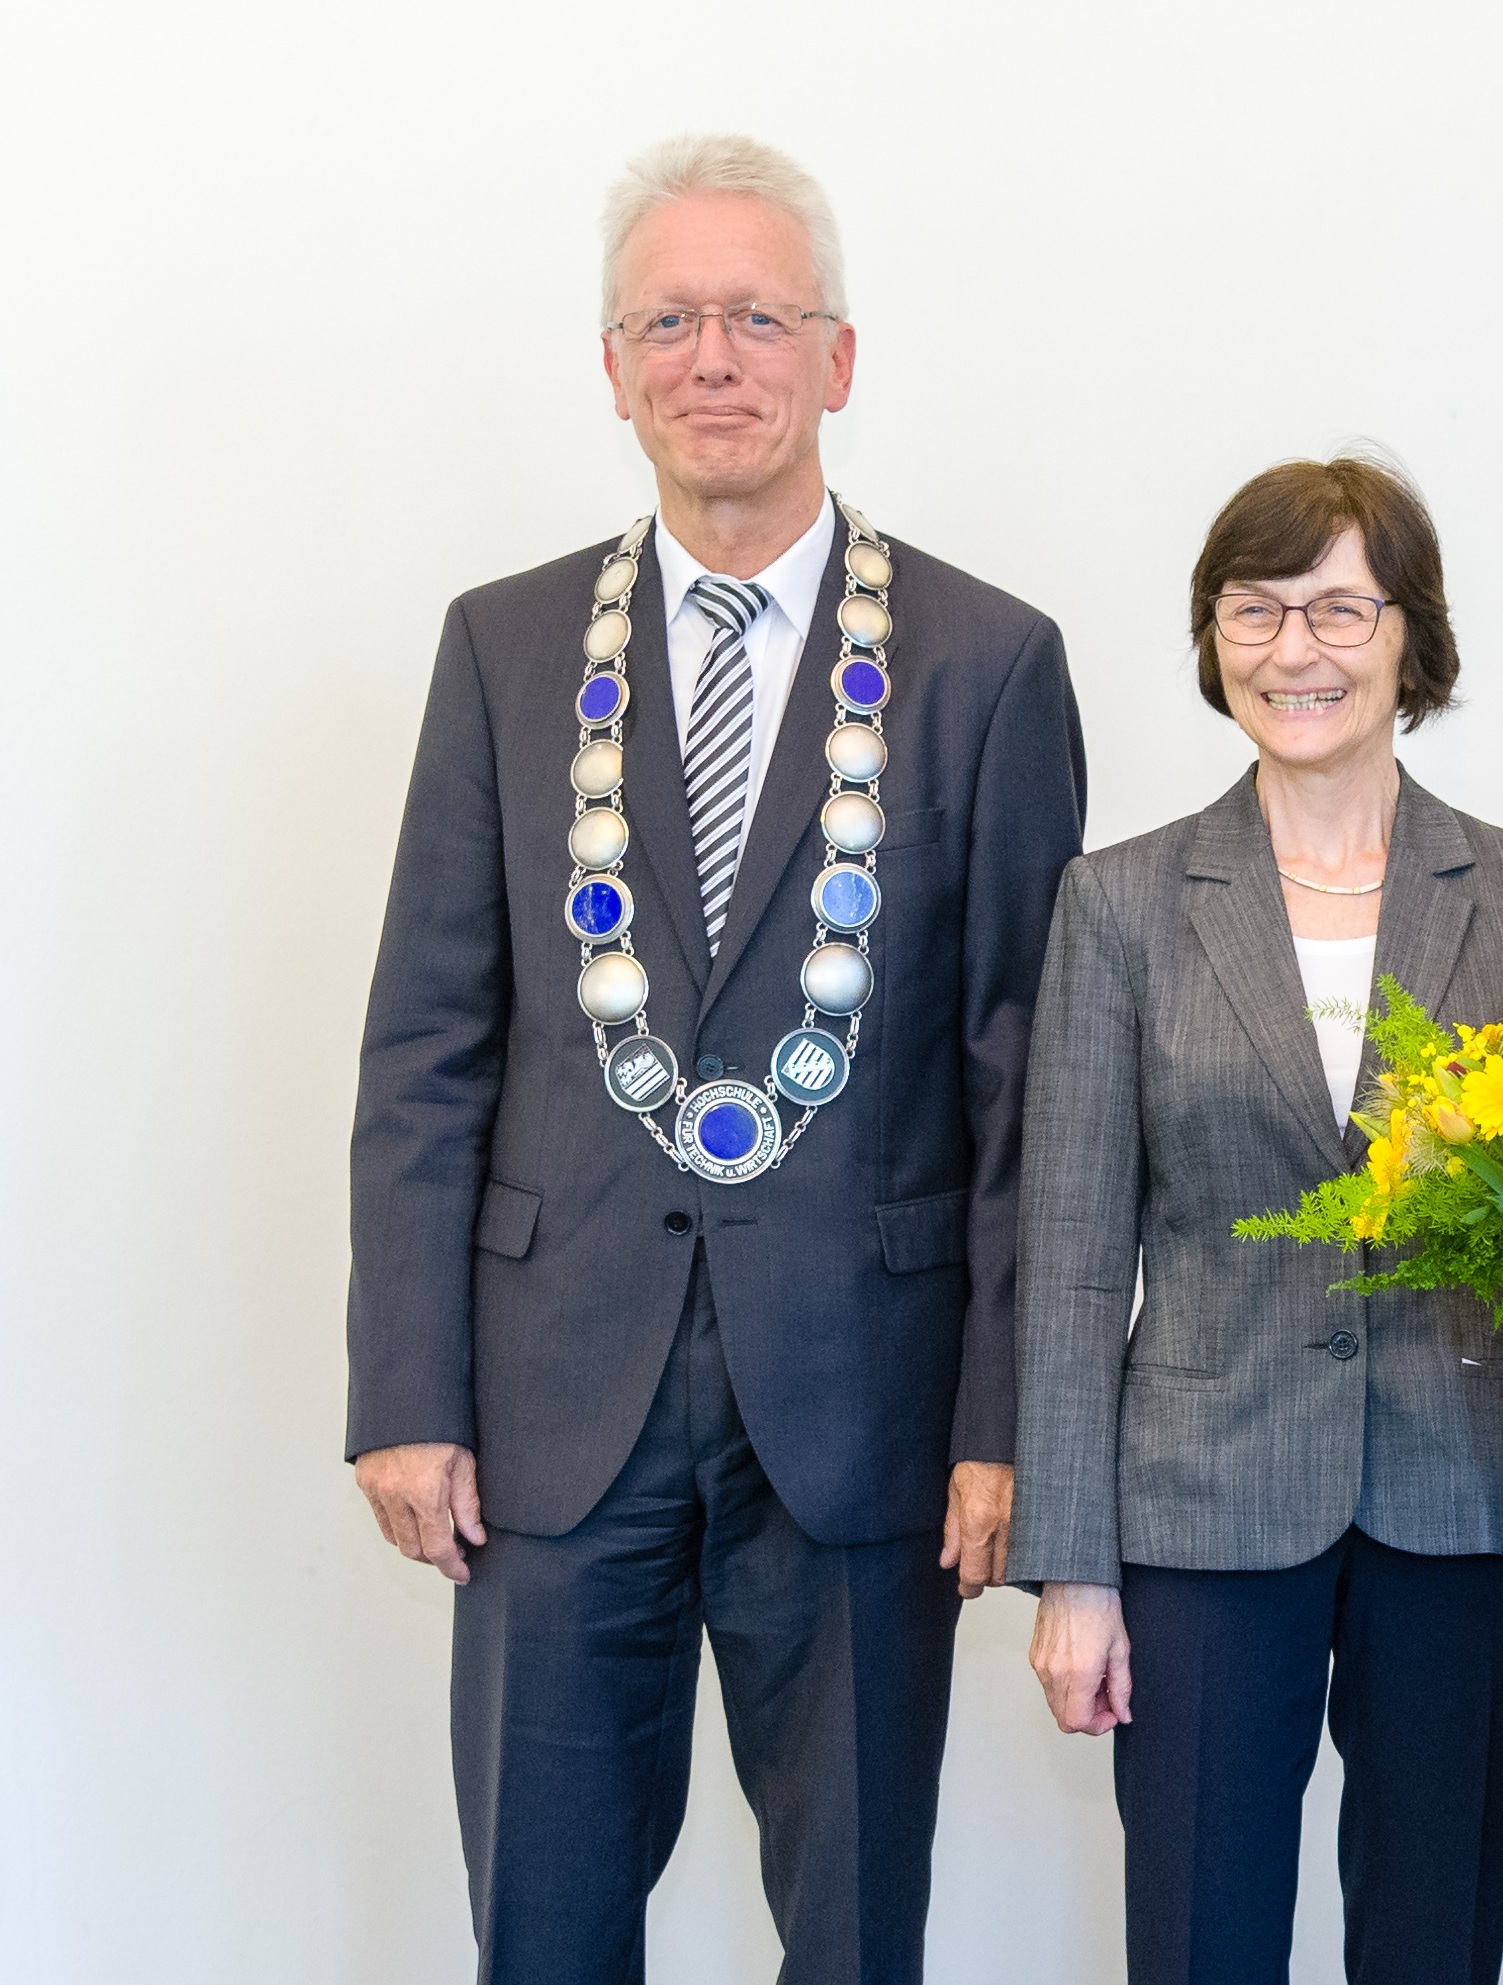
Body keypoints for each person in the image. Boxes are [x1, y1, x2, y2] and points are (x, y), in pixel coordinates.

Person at [343, 133, 1085, 1981]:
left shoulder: (988, 664)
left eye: (758, 315)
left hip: (864, 1403)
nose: (712, 357)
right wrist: (404, 1385)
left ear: (838, 356)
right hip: (546, 1405)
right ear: (611, 367)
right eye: (666, 319)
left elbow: (1028, 1092)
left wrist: (1004, 1423)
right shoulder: (506, 652)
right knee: (545, 1916)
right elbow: (427, 1041)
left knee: (851, 1930)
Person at [1006, 457, 1503, 1985]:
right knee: (1203, 1942)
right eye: (1255, 609)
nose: (1297, 649)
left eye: (1340, 607)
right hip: (1201, 1508)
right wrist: (1069, 1565)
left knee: (1434, 1944)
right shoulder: (1122, 902)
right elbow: (1073, 1261)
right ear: (1213, 639)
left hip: (1470, 1496)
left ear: (1412, 637)